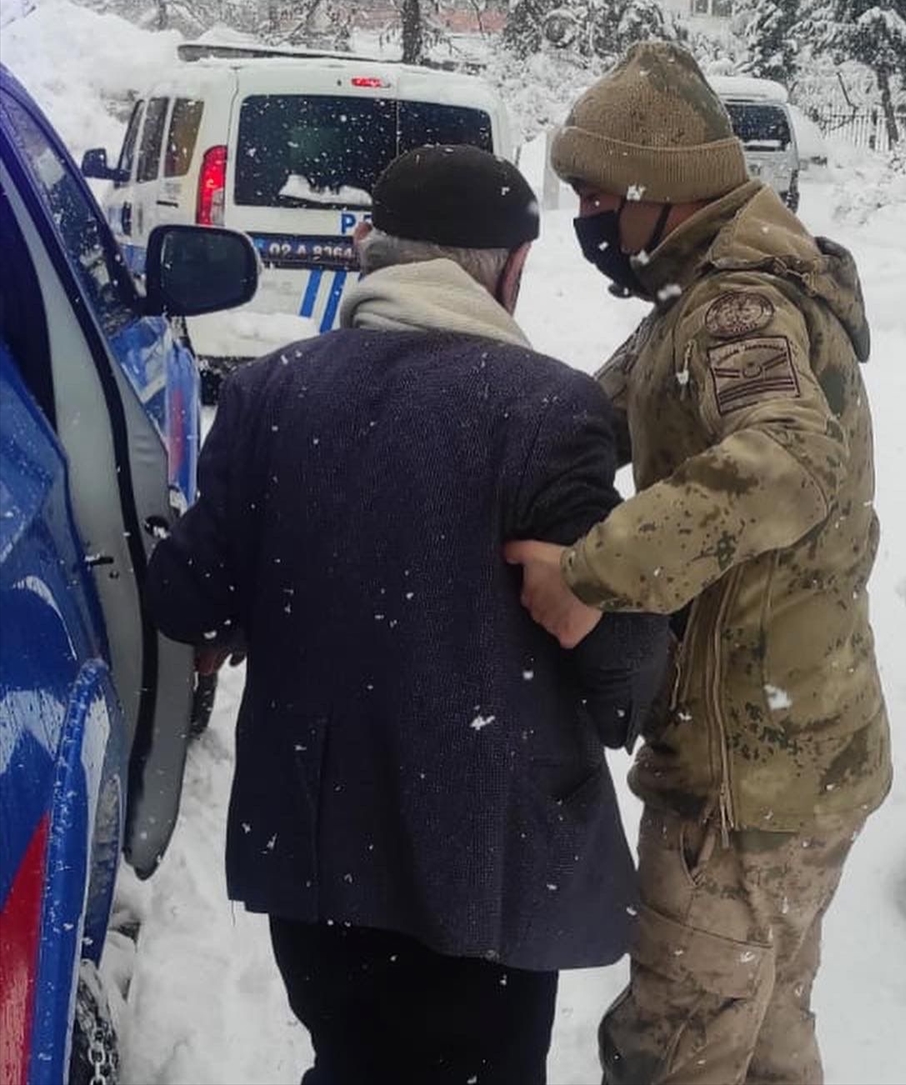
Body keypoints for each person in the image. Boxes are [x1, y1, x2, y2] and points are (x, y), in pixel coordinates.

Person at [145, 144, 670, 1085]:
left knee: (351, 1060)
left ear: (371, 254)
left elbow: (193, 596)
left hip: (313, 858)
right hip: (483, 872)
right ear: (510, 269)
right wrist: (615, 622)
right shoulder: (552, 410)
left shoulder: (272, 391)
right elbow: (623, 679)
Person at [505, 42, 892, 1085]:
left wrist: (588, 575)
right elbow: (591, 414)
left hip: (747, 775)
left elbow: (790, 460)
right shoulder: (702, 299)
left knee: (672, 1049)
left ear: (656, 191)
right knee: (760, 1030)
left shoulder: (736, 307)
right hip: (804, 751)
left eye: (594, 194)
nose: (583, 217)